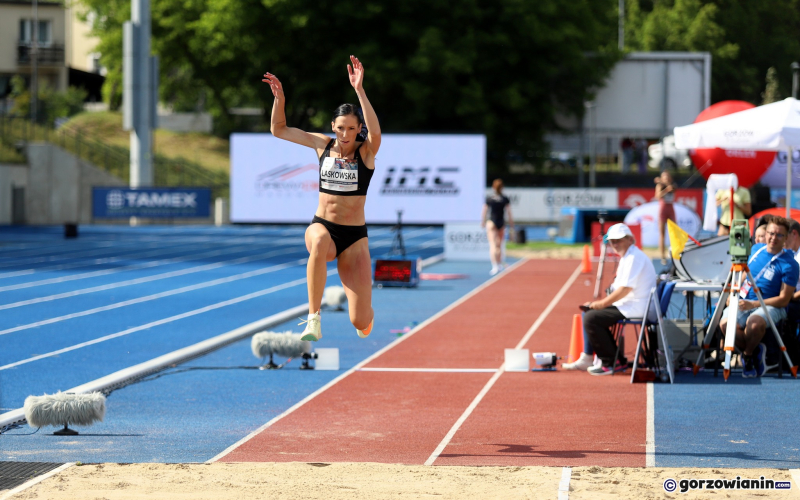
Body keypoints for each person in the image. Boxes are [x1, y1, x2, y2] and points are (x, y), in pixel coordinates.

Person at [262, 55, 380, 342]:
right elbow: (279, 129)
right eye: (340, 128)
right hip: (323, 226)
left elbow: (375, 132)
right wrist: (279, 99)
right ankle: (313, 318)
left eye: (351, 128)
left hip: (354, 238)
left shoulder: (366, 153)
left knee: (360, 320)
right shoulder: (322, 145)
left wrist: (360, 90)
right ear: (332, 126)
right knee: (319, 240)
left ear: (359, 129)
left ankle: (366, 314)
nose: (345, 134)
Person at [564, 224, 657, 375]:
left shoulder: (634, 258)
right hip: (630, 304)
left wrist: (601, 304)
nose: (614, 244)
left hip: (637, 306)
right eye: (612, 241)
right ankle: (589, 357)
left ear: (630, 239)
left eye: (618, 240)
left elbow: (625, 289)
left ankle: (611, 363)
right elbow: (620, 288)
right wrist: (596, 304)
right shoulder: (628, 256)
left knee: (592, 318)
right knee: (588, 312)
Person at [719, 217, 798, 378]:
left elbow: (784, 299)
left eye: (779, 235)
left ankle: (748, 355)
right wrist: (733, 293)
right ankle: (756, 351)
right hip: (744, 301)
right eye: (771, 233)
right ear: (765, 233)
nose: (774, 238)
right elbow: (744, 274)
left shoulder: (790, 264)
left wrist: (754, 304)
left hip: (771, 305)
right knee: (725, 324)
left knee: (754, 324)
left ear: (786, 238)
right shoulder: (756, 250)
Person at [481, 179, 514, 275]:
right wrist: (511, 225)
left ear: (493, 187)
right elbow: (509, 213)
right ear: (502, 187)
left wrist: (483, 221)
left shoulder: (490, 198)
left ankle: (495, 265)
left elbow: (484, 210)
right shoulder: (504, 198)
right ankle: (498, 264)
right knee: (499, 245)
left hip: (492, 222)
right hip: (501, 222)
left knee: (493, 245)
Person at [654, 171, 677, 265]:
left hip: (671, 209)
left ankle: (675, 253)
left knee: (674, 233)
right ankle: (662, 256)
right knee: (662, 234)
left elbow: (673, 188)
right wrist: (666, 190)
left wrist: (667, 186)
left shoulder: (673, 185)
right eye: (664, 177)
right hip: (663, 209)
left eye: (668, 177)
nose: (666, 178)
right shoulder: (660, 186)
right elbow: (657, 196)